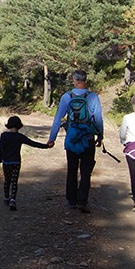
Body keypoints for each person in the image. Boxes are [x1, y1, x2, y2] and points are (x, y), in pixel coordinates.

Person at [48, 69, 104, 212]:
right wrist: (100, 135)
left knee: (72, 170)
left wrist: (52, 138)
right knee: (86, 172)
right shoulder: (93, 97)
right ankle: (82, 201)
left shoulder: (67, 97)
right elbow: (98, 119)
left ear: (74, 79)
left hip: (72, 139)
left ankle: (71, 200)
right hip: (87, 138)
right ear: (85, 80)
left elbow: (58, 119)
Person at [0, 115, 54, 210]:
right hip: (16, 162)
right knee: (14, 181)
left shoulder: (4, 135)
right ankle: (13, 200)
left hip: (6, 162)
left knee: (7, 180)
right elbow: (33, 144)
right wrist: (46, 146)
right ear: (19, 126)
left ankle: (6, 198)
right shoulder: (20, 137)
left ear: (8, 125)